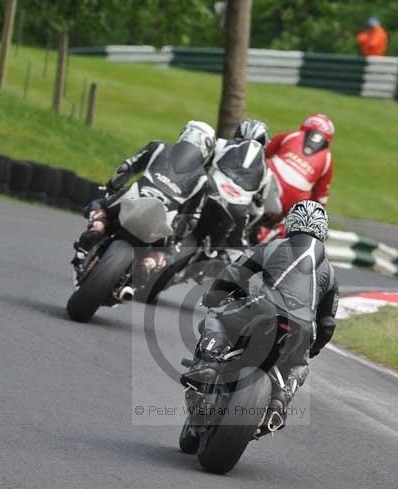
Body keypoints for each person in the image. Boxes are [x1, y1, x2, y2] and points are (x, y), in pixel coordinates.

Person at [181, 200, 339, 425]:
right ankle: (279, 403)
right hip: (302, 325)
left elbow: (234, 272)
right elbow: (327, 324)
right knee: (300, 364)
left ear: (291, 223)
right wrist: (312, 348)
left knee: (217, 315)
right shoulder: (330, 273)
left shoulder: (273, 246)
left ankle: (207, 362)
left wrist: (215, 297)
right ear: (323, 228)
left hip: (264, 306)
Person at [72, 120, 215, 280]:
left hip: (135, 196)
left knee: (99, 205)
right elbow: (192, 219)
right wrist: (177, 238)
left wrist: (111, 187)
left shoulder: (158, 147)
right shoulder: (204, 181)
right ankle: (149, 264)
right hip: (166, 216)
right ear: (207, 150)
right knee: (166, 251)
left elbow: (126, 168)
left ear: (185, 133)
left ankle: (97, 228)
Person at [202, 118, 271, 251]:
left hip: (211, 193)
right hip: (237, 210)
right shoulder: (267, 171)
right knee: (237, 248)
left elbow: (201, 166)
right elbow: (258, 210)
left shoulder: (221, 144)